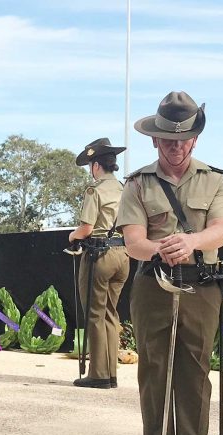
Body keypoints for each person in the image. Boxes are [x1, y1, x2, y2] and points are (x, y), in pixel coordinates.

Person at [117, 91, 223, 435]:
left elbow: (220, 230)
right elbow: (133, 242)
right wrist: (161, 248)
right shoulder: (137, 184)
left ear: (195, 139)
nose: (176, 146)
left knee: (194, 380)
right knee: (154, 379)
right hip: (153, 287)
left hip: (201, 287)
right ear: (155, 139)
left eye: (184, 139)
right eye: (168, 139)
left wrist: (192, 242)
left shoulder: (216, 180)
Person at [69, 138, 130, 389]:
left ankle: (98, 374)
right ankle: (111, 374)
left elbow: (86, 228)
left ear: (95, 166)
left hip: (99, 255)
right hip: (123, 254)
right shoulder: (126, 188)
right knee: (110, 315)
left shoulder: (94, 190)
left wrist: (72, 236)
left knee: (95, 314)